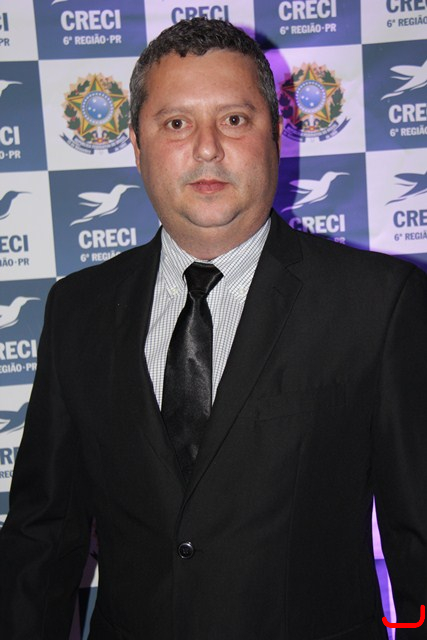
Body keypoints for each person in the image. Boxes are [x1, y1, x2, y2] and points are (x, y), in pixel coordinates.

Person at [0, 17, 426, 640]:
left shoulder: (379, 303)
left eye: (233, 119)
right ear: (137, 146)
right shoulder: (77, 310)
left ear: (275, 135)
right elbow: (41, 537)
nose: (206, 148)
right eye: (176, 123)